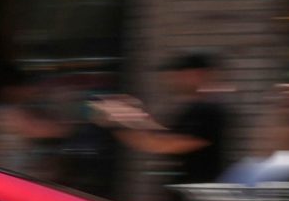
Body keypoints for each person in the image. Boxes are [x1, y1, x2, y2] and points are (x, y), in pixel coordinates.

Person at [98, 51, 235, 191]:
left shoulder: (208, 110)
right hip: (187, 195)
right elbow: (165, 135)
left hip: (197, 198)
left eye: (179, 74)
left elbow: (167, 144)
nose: (172, 79)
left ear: (197, 74)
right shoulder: (193, 108)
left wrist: (117, 124)